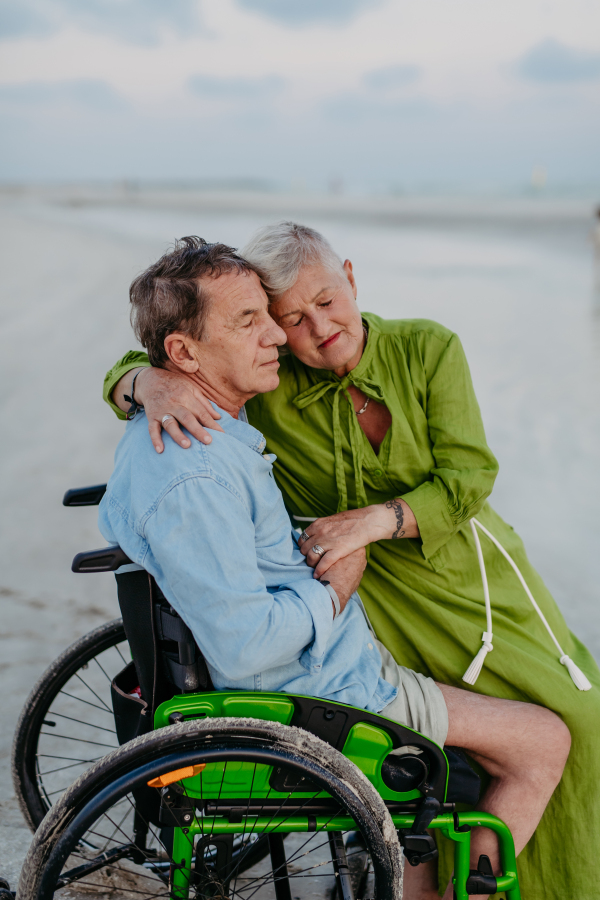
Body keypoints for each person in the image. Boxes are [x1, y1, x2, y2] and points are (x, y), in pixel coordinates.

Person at [102, 227, 590, 900]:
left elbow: (470, 475)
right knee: (535, 742)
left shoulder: (418, 348)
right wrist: (142, 379)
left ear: (353, 277)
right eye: (283, 320)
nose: (306, 331)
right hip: (345, 640)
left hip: (444, 588)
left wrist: (373, 526)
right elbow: (166, 355)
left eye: (327, 302)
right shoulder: (242, 404)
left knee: (577, 713)